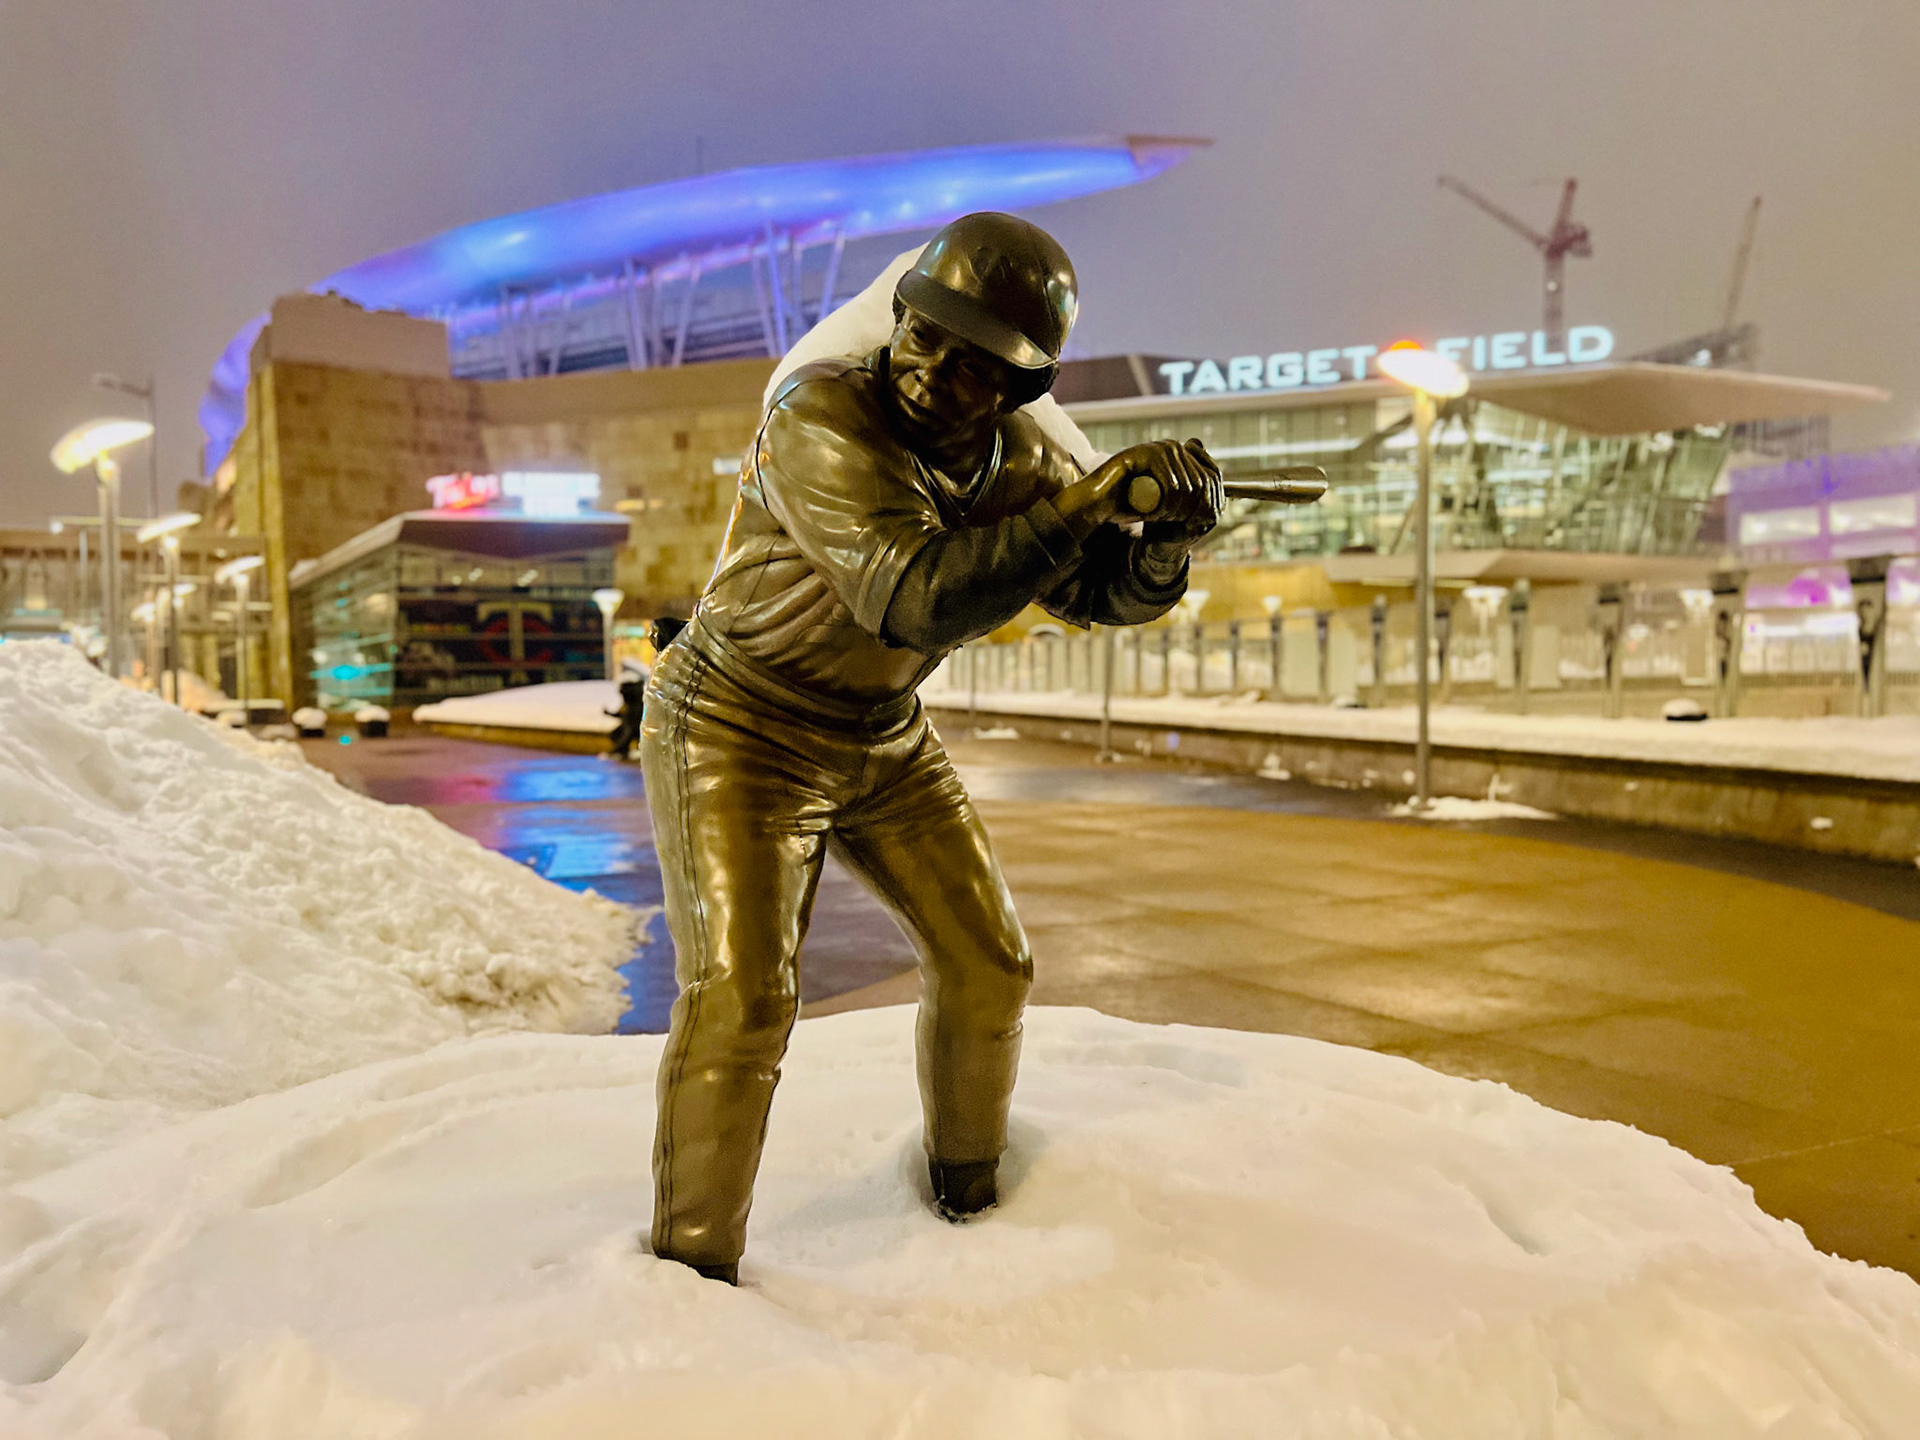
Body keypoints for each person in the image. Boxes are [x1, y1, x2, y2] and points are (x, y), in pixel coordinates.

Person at [641, 211, 1222, 1284]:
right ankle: (687, 1276)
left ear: (1017, 390)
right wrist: (1088, 505)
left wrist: (1164, 549)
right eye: (923, 335)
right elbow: (912, 596)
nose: (929, 371)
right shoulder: (819, 416)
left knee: (990, 966)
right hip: (738, 720)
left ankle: (969, 1202)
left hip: (881, 736)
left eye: (972, 365)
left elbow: (1093, 593)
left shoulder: (1026, 461)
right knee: (745, 997)